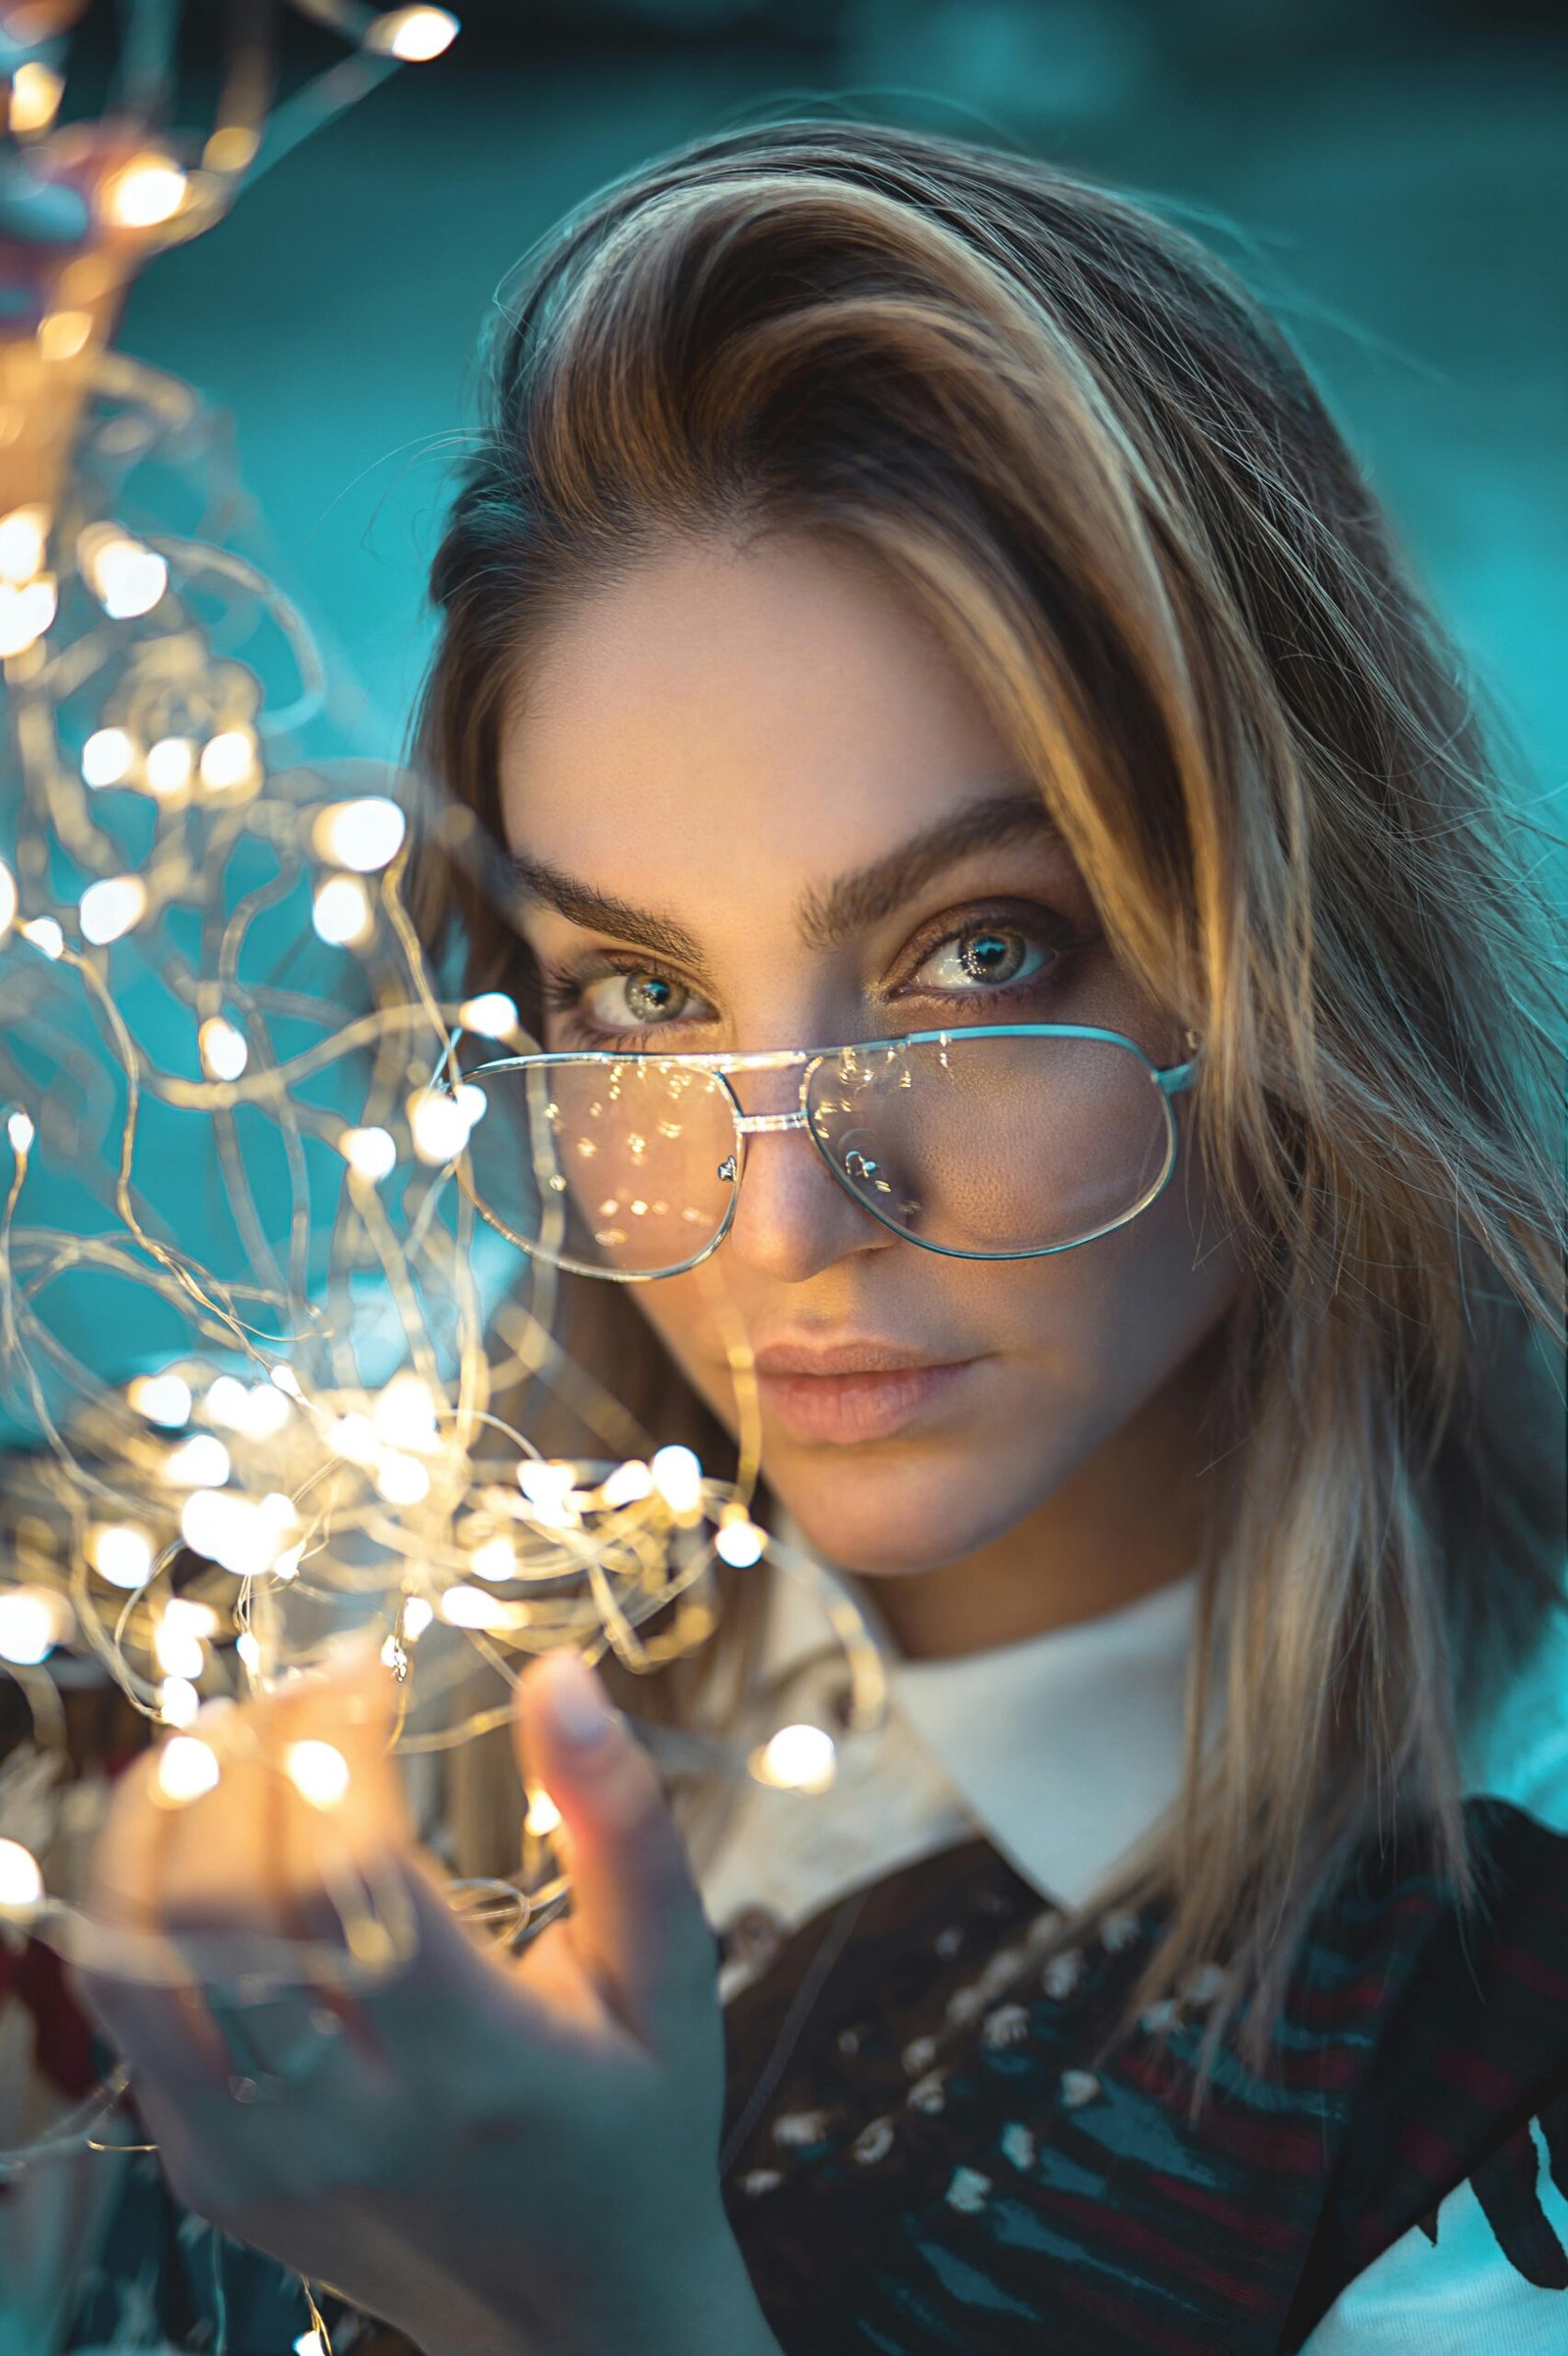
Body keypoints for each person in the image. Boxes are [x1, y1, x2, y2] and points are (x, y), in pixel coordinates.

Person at [61, 119, 1566, 2356]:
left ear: (1289, 962)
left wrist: (606, 2312)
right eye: (643, 996)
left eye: (978, 953)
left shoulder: (1474, 2051)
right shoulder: (286, 1667)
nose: (780, 1217)